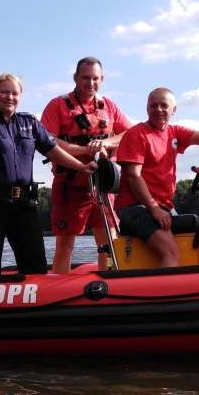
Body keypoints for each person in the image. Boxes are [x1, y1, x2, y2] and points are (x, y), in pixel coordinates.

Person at [0, 74, 98, 276]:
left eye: (14, 93)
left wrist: (81, 167)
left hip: (24, 205)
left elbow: (53, 151)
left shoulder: (30, 123)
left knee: (35, 266)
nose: (9, 97)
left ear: (20, 96)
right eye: (4, 92)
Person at [115, 87, 199, 267]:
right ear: (147, 108)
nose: (158, 109)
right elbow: (133, 176)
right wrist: (154, 208)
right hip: (135, 207)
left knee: (195, 230)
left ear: (174, 110)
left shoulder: (174, 132)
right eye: (153, 105)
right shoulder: (136, 135)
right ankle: (165, 285)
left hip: (162, 206)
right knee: (171, 252)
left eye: (164, 105)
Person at [40, 57, 132, 273]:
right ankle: (60, 286)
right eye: (85, 78)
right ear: (75, 78)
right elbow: (46, 141)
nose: (91, 83)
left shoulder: (109, 105)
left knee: (109, 245)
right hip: (70, 185)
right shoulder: (57, 105)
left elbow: (130, 134)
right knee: (65, 247)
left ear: (102, 79)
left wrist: (105, 143)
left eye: (95, 78)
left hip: (103, 187)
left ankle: (110, 282)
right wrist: (84, 150)